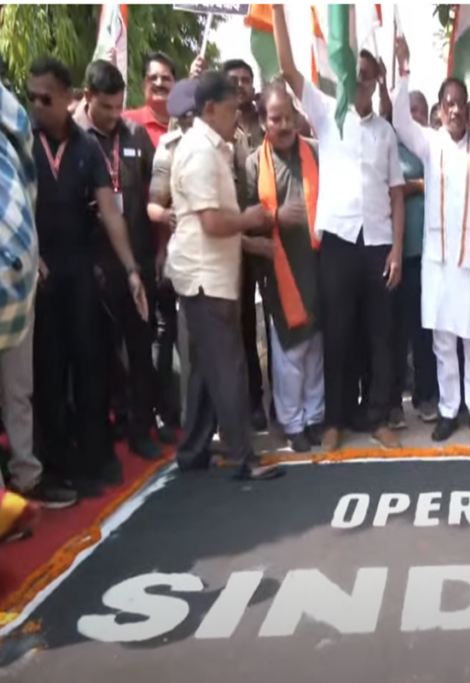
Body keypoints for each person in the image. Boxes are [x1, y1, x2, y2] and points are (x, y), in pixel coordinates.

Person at [273, 8, 405, 452]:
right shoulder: (328, 113)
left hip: (379, 246)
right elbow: (289, 71)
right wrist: (276, 10)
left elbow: (397, 195)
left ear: (374, 79)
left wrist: (397, 250)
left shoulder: (386, 132)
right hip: (337, 245)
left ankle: (379, 415)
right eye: (355, 72)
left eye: (367, 75)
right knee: (339, 334)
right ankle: (335, 420)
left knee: (382, 337)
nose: (360, 79)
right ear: (344, 74)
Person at [29, 57, 148, 497]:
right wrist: (29, 254)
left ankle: (97, 456)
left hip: (80, 270)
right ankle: (57, 465)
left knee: (91, 364)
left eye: (45, 97)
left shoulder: (86, 149)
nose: (36, 105)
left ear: (67, 97)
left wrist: (132, 270)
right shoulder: (20, 140)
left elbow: (111, 213)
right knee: (49, 372)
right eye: (31, 96)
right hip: (38, 276)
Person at [166, 69, 282, 481]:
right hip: (205, 278)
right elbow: (213, 223)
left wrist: (250, 243)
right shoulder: (199, 151)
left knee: (204, 369)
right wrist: (249, 219)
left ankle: (194, 450)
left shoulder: (212, 147)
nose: (237, 117)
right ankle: (242, 457)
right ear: (210, 109)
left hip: (210, 273)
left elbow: (208, 225)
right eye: (232, 110)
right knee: (229, 366)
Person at [392, 36, 470, 443]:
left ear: (469, 111)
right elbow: (401, 121)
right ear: (439, 111)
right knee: (443, 342)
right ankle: (448, 410)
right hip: (438, 263)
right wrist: (404, 71)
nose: (455, 109)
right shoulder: (429, 142)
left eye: (460, 103)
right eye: (448, 104)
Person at [76, 59, 171, 461]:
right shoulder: (77, 141)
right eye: (106, 108)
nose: (116, 115)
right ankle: (101, 435)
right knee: (97, 354)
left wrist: (163, 243)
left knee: (141, 346)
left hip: (140, 262)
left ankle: (141, 428)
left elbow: (159, 191)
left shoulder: (135, 135)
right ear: (87, 99)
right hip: (94, 266)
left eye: (119, 106)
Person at [0, 82, 76, 507]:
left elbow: (22, 203)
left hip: (16, 286)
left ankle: (26, 478)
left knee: (18, 390)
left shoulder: (12, 148)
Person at [244, 81, 323, 453]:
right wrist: (276, 216)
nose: (285, 125)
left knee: (315, 348)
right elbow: (242, 217)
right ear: (264, 123)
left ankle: (314, 417)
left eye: (289, 117)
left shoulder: (314, 154)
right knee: (290, 352)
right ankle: (292, 422)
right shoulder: (253, 164)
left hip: (317, 265)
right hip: (280, 270)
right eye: (276, 119)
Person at [147, 79, 198, 432]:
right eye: (184, 118)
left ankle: (217, 419)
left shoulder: (226, 141)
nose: (189, 123)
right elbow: (152, 204)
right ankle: (181, 417)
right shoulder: (167, 148)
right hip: (181, 260)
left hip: (220, 259)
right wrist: (169, 216)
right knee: (178, 342)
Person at [225, 58, 271, 432]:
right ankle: (253, 401)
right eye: (234, 80)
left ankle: (282, 402)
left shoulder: (267, 120)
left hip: (270, 240)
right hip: (231, 243)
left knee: (277, 320)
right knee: (241, 327)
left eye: (246, 79)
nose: (241, 85)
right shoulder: (219, 126)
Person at [390, 89, 439, 426]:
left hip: (430, 256)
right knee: (395, 332)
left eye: (420, 109)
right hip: (397, 255)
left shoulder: (432, 148)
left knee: (426, 332)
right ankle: (393, 402)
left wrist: (416, 185)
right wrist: (418, 185)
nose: (417, 115)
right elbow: (389, 188)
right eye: (410, 110)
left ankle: (425, 397)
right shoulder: (391, 146)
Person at [123, 52, 178, 147]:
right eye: (153, 78)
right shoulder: (125, 122)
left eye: (165, 78)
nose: (159, 83)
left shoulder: (186, 126)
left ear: (175, 85)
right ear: (143, 85)